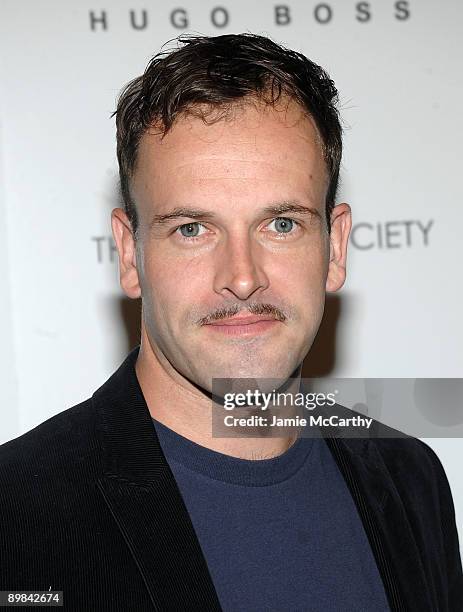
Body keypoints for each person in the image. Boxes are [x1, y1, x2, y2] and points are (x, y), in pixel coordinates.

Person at [0, 32, 461, 611]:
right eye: (192, 229)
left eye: (282, 225)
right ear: (129, 253)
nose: (242, 278)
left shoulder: (409, 480)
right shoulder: (17, 511)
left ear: (335, 246)